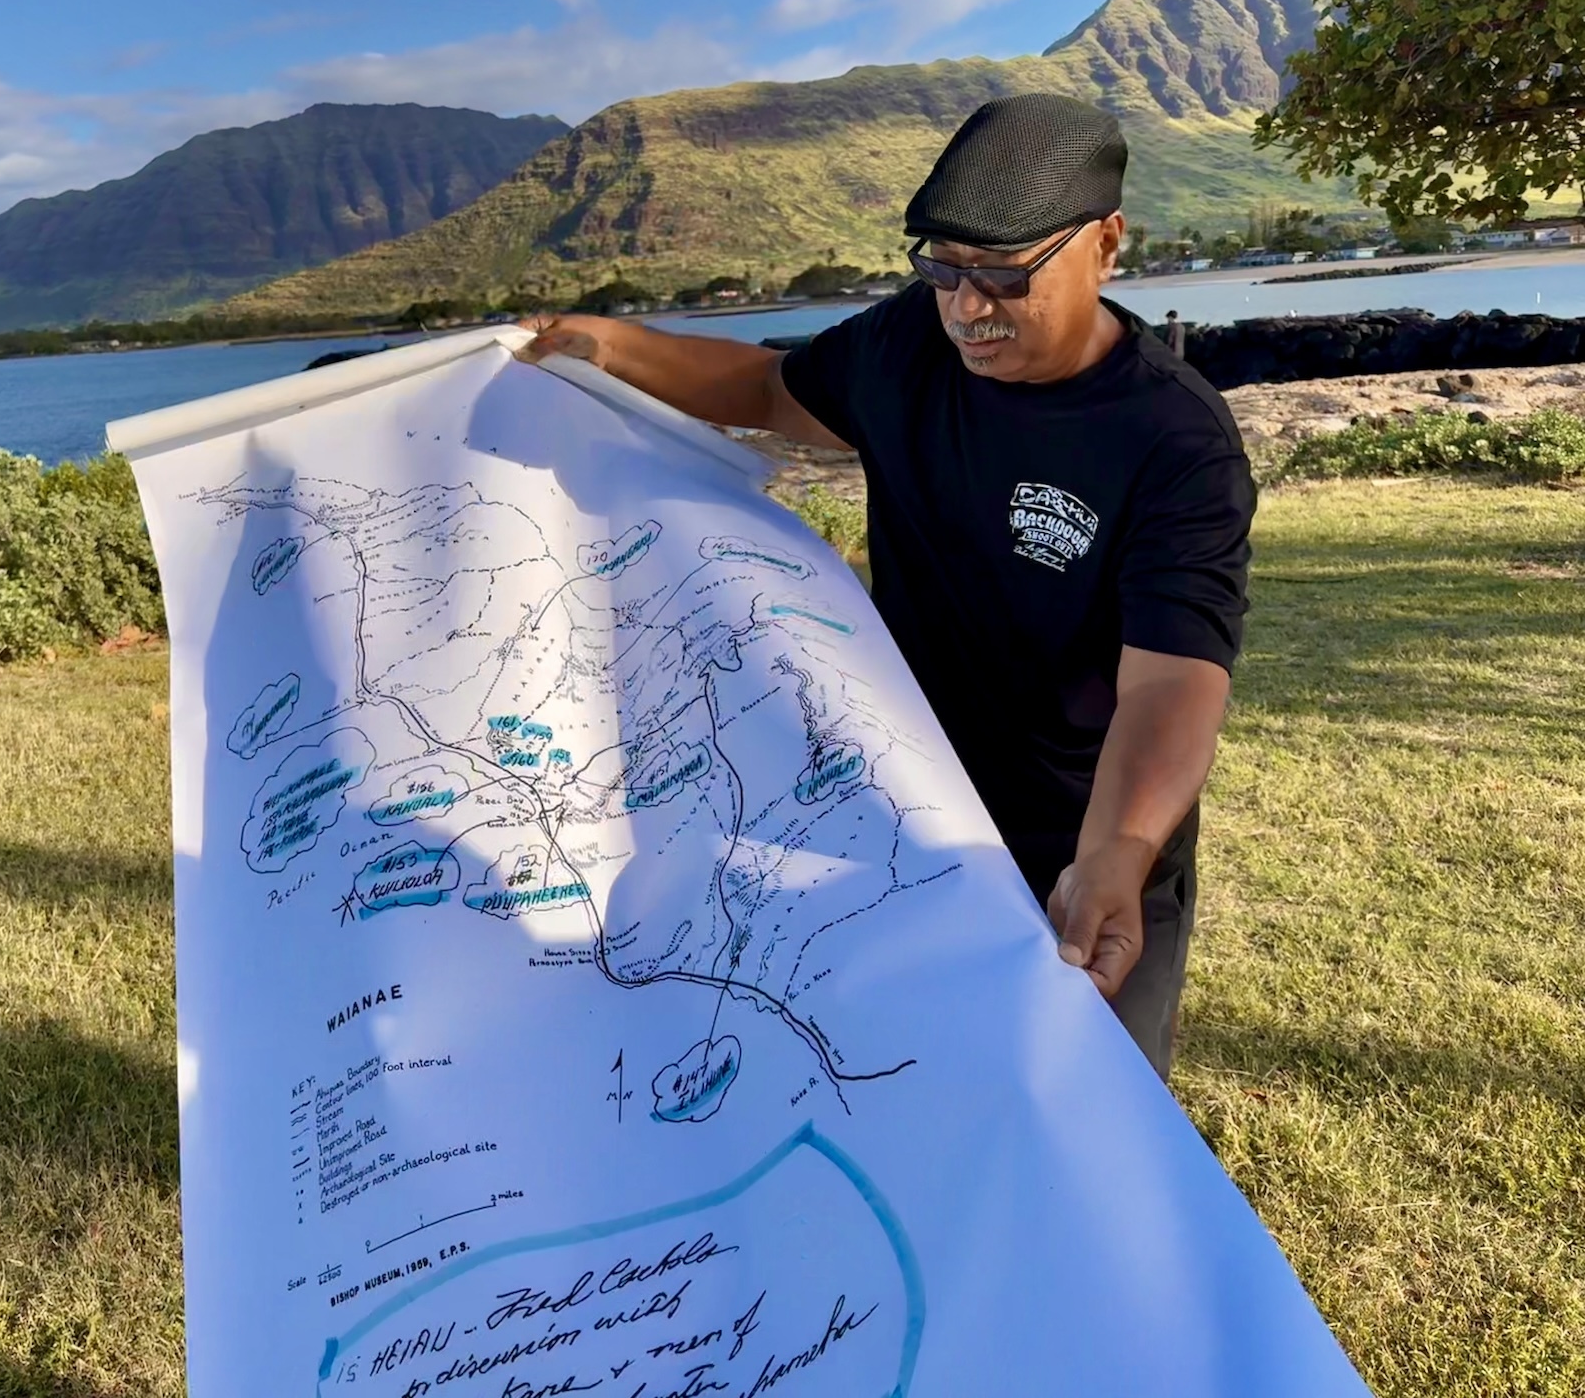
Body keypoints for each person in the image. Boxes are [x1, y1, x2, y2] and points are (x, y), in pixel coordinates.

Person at [521, 93, 1254, 1079]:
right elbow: (773, 390)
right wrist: (611, 348)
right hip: (899, 805)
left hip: (1083, 829)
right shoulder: (914, 343)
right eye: (942, 269)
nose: (966, 310)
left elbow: (1171, 683)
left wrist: (1119, 851)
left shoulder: (1173, 441)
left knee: (1094, 1103)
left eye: (1002, 274)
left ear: (1106, 244)